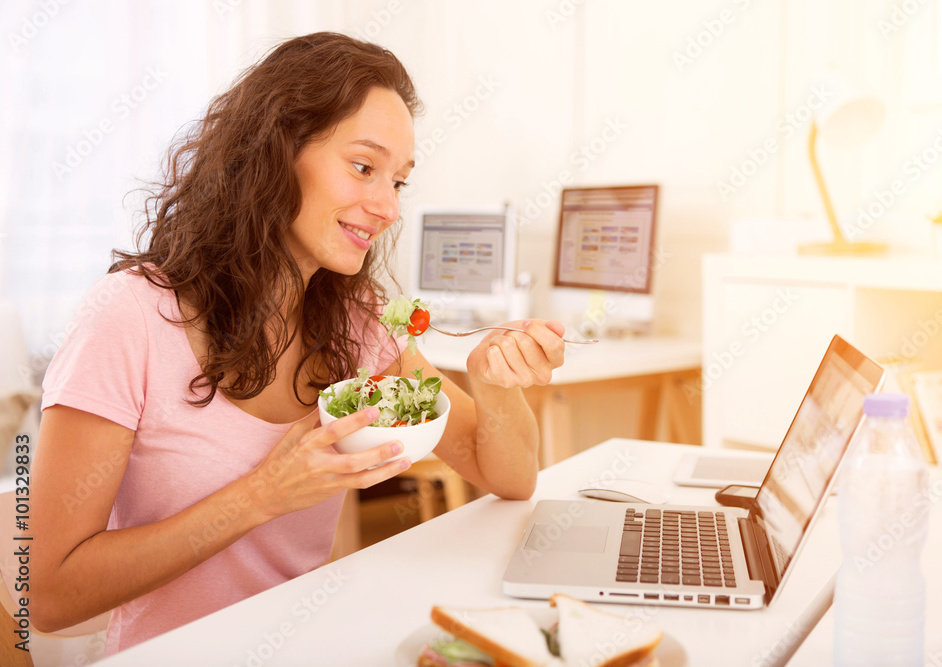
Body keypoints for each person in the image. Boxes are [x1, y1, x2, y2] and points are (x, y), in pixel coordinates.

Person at [31, 32, 566, 655]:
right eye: (364, 168)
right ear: (275, 151)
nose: (388, 206)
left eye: (399, 182)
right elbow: (51, 593)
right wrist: (262, 495)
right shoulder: (129, 317)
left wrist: (495, 385)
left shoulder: (357, 318)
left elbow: (507, 474)